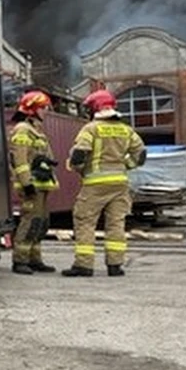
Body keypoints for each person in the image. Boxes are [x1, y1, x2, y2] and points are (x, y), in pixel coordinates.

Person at [61, 88, 146, 277]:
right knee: (116, 224)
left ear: (94, 109)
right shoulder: (126, 130)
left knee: (85, 222)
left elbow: (79, 154)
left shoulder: (91, 128)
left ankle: (84, 265)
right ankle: (115, 266)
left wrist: (80, 169)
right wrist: (125, 165)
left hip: (95, 185)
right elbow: (140, 154)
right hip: (120, 184)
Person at [7, 90, 59, 275]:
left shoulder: (36, 130)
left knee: (41, 223)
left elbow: (43, 155)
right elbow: (19, 160)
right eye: (43, 108)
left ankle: (35, 259)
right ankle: (20, 260)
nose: (46, 111)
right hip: (31, 186)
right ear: (32, 109)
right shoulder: (22, 129)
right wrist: (27, 183)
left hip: (42, 184)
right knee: (30, 222)